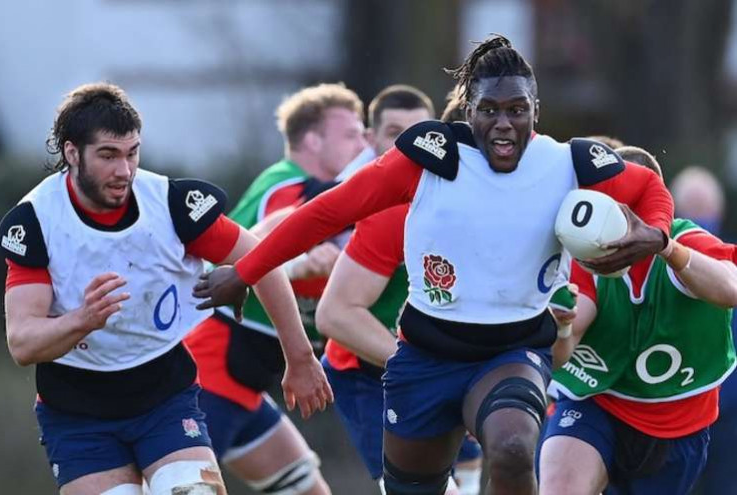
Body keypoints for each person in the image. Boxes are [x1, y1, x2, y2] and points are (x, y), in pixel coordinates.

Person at [194, 35, 674, 495]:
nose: (503, 123)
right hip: (426, 356)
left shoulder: (568, 164)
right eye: (489, 110)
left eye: (516, 110)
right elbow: (329, 211)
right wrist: (243, 271)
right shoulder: (430, 160)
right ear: (469, 112)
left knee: (511, 450)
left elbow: (649, 188)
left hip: (513, 349)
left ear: (536, 112)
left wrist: (655, 233)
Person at [0, 82, 332, 495]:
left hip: (164, 397)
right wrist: (82, 319)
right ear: (71, 153)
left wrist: (298, 358)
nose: (124, 170)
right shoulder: (35, 221)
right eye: (107, 155)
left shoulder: (171, 203)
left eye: (131, 152)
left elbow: (262, 261)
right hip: (78, 414)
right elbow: (22, 343)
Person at [183, 82, 365, 494]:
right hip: (212, 370)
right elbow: (259, 248)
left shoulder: (327, 197)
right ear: (314, 140)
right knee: (184, 486)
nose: (363, 145)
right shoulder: (291, 188)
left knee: (306, 487)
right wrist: (301, 262)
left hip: (248, 384)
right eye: (351, 134)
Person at [539, 147, 737, 495]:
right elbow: (561, 349)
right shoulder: (587, 257)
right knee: (560, 488)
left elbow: (730, 288)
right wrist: (562, 327)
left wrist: (665, 248)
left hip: (676, 418)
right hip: (598, 401)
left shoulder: (684, 239)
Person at [315, 85, 481, 494]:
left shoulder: (493, 202)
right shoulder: (390, 209)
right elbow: (334, 313)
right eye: (394, 133)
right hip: (369, 374)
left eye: (417, 131)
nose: (409, 146)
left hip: (448, 366)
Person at [667, 166, 734, 495]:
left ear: (719, 212)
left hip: (731, 411)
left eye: (704, 209)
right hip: (678, 402)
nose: (700, 217)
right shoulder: (659, 270)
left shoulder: (729, 268)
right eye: (692, 210)